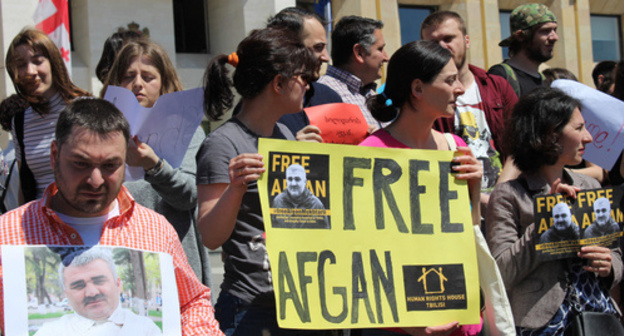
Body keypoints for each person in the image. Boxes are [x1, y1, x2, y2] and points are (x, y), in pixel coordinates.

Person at [0, 98, 222, 335]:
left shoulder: (155, 229)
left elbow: (191, 303)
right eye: (80, 163)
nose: (95, 180)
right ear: (54, 155)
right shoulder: (8, 234)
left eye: (110, 165)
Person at [197, 28, 321, 335]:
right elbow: (211, 236)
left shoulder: (287, 137)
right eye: (302, 77)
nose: (307, 84)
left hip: (296, 302)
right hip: (249, 309)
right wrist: (236, 188)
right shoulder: (222, 144)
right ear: (279, 83)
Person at [359, 40, 483, 336]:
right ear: (418, 89)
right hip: (398, 322)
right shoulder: (372, 152)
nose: (461, 89)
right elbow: (363, 250)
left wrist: (475, 189)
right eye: (450, 80)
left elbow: (470, 233)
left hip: (457, 309)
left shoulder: (458, 147)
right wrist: (407, 324)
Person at [486, 88, 622, 334]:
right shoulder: (509, 195)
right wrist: (545, 223)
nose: (589, 138)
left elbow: (615, 253)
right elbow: (501, 273)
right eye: (579, 128)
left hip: (597, 317)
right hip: (542, 324)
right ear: (551, 135)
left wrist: (608, 265)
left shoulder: (590, 186)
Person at [101, 39, 211, 287]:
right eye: (129, 76)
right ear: (116, 84)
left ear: (164, 83)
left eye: (148, 76)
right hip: (118, 259)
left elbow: (190, 197)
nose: (137, 83)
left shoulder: (189, 131)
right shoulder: (99, 134)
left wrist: (154, 167)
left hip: (174, 262)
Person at [420, 11, 518, 218]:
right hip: (453, 207)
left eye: (448, 39)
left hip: (505, 204)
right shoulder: (421, 95)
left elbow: (520, 146)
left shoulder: (496, 87)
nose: (441, 47)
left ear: (466, 41)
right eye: (433, 42)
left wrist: (499, 198)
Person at [4, 28, 90, 203]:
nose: (30, 71)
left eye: (37, 61)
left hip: (84, 218)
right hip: (40, 223)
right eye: (21, 65)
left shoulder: (86, 108)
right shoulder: (20, 122)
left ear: (53, 62)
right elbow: (24, 184)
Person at [34, 247, 161, 336]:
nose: (91, 292)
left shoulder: (146, 330)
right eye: (79, 285)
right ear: (66, 294)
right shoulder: (49, 333)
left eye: (99, 281)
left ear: (118, 284)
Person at [267, 7, 343, 136]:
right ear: (287, 47)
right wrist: (293, 151)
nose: (326, 58)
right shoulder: (259, 106)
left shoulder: (330, 97)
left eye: (325, 47)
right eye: (317, 48)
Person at [317, 15, 389, 130]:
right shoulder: (322, 93)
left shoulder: (372, 95)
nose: (386, 58)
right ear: (359, 53)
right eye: (380, 49)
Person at [489, 3, 558, 97]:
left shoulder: (544, 81)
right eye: (545, 31)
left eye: (555, 30)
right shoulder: (501, 76)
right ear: (521, 36)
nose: (555, 37)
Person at [271, 164, 328, 229]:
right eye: (290, 179)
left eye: (297, 179)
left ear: (305, 181)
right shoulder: (278, 201)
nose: (293, 183)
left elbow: (325, 234)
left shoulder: (316, 205)